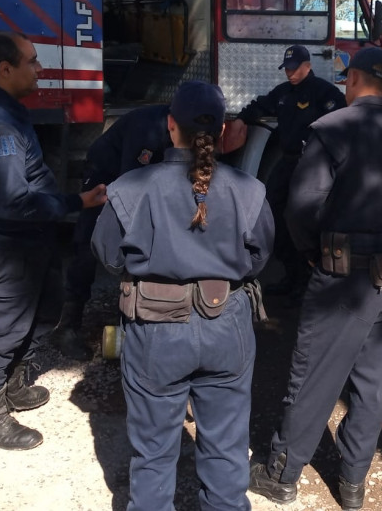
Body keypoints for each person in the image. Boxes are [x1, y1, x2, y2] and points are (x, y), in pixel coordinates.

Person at [248, 47, 382, 511]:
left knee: (314, 374)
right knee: (373, 377)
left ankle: (282, 473)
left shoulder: (331, 130)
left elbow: (302, 205)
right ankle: (353, 483)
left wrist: (311, 253)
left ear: (354, 82)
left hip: (343, 274)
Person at [91, 80, 274, 511]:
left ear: (171, 125)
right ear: (225, 129)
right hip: (226, 323)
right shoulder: (248, 189)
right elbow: (261, 255)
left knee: (153, 454)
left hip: (155, 328)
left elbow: (107, 254)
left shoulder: (130, 187)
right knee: (228, 447)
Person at [0, 31, 107, 451]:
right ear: (5, 69)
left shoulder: (3, 109)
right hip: (4, 246)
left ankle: (14, 382)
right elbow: (11, 202)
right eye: (32, 62)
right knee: (1, 327)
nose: (40, 69)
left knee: (45, 307)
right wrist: (76, 201)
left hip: (29, 240)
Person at [51, 104, 171, 360]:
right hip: (107, 173)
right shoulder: (147, 129)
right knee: (89, 243)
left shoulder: (189, 126)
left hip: (139, 176)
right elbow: (132, 188)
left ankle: (132, 321)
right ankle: (68, 325)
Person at [229, 44, 345, 298]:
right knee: (273, 215)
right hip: (288, 162)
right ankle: (291, 274)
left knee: (303, 219)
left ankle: (308, 279)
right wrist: (240, 118)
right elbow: (259, 106)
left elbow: (341, 122)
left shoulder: (323, 92)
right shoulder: (283, 94)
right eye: (287, 69)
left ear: (308, 66)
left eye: (295, 68)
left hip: (313, 167)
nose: (290, 73)